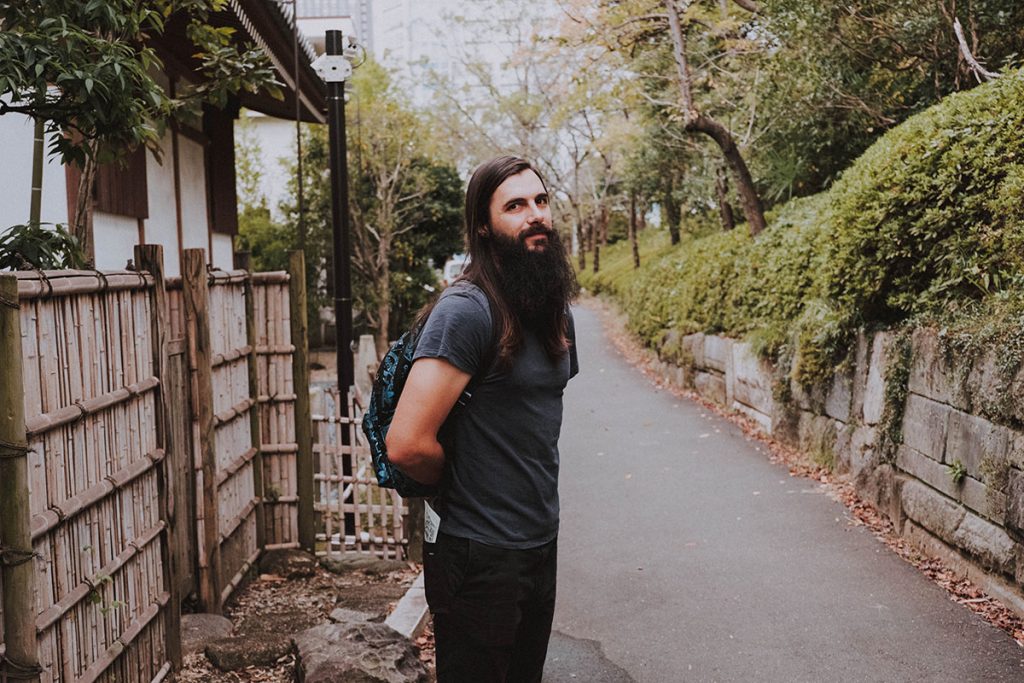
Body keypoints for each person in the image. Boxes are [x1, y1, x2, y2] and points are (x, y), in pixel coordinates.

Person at [385, 155, 580, 681]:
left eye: (540, 201)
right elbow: (405, 443)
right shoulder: (467, 311)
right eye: (514, 206)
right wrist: (462, 483)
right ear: (484, 228)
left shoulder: (551, 307)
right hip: (478, 555)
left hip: (539, 543)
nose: (535, 215)